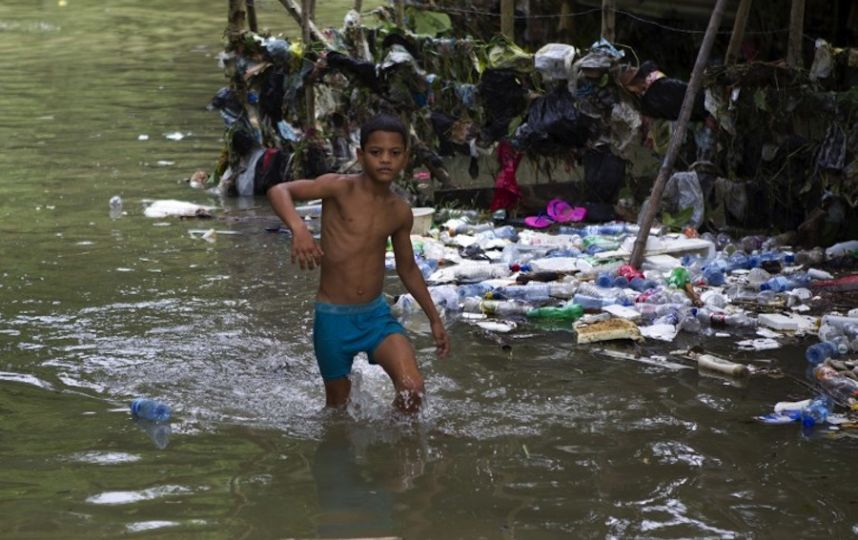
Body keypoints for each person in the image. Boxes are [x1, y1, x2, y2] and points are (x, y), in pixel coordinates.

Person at [267, 114, 450, 414]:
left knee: (413, 390)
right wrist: (299, 229)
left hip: (376, 317)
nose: (385, 160)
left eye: (394, 153)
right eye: (376, 152)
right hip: (333, 320)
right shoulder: (339, 188)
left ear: (405, 157)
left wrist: (434, 318)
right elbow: (279, 191)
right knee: (338, 411)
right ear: (360, 154)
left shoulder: (399, 211)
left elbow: (408, 268)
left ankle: (391, 451)